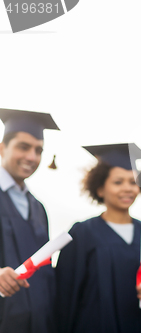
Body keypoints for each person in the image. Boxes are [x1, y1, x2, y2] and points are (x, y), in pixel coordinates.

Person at [55, 143, 141, 333]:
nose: (127, 188)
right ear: (100, 189)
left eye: (133, 182)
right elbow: (66, 294)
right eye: (118, 182)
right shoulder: (82, 233)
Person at [0, 108, 59, 333]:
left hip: (38, 324)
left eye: (38, 150)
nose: (32, 157)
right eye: (23, 147)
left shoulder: (38, 208)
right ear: (2, 147)